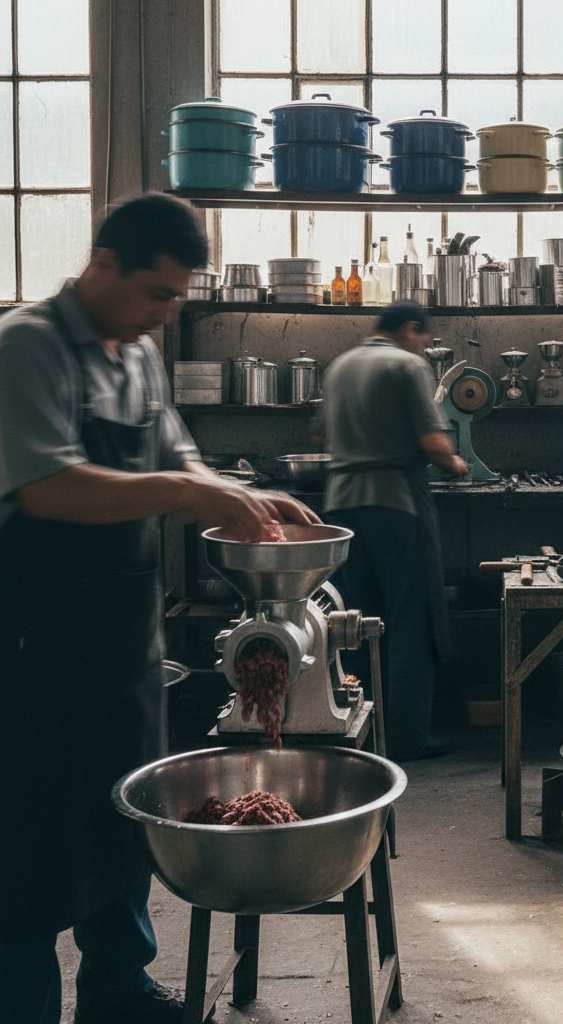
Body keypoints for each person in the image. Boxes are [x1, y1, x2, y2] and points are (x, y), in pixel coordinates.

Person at [0, 193, 318, 1024]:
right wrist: (183, 491)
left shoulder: (135, 354)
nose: (168, 313)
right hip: (30, 644)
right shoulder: (27, 346)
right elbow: (46, 486)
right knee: (25, 841)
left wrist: (254, 497)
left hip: (119, 644)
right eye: (159, 293)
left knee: (124, 817)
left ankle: (119, 990)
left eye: (180, 296)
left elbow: (180, 457)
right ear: (103, 264)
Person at [322, 301, 468, 760]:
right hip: (393, 502)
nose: (426, 346)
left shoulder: (340, 366)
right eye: (425, 338)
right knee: (411, 620)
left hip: (341, 505)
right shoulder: (407, 365)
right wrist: (457, 464)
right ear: (410, 329)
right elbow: (432, 442)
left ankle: (361, 728)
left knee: (357, 622)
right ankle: (406, 737)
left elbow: (318, 434)